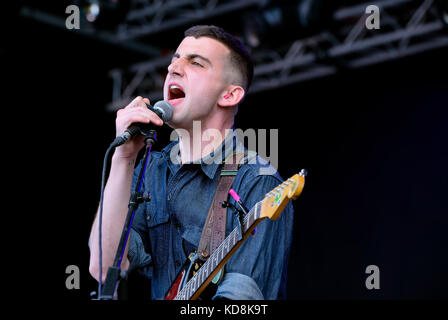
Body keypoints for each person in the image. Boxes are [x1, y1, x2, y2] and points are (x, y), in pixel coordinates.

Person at [89, 25, 294, 300]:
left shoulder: (256, 180)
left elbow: (241, 303)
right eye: (175, 59)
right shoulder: (152, 169)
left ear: (229, 95)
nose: (174, 68)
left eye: (196, 62)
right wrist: (123, 159)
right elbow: (103, 268)